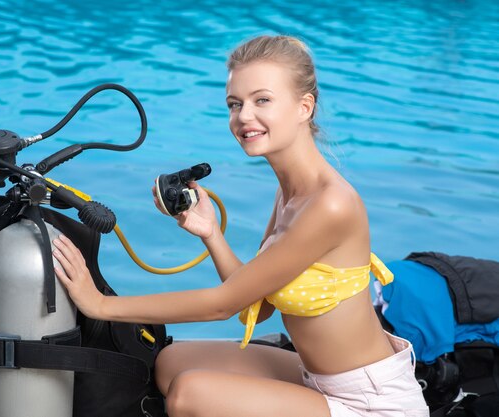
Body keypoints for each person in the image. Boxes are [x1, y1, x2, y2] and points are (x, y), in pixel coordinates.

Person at [52, 35, 429, 417]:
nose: (244, 116)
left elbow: (224, 305)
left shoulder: (330, 204)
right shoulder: (290, 193)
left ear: (304, 107)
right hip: (317, 378)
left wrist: (100, 304)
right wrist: (211, 234)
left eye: (262, 100)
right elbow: (256, 307)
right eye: (235, 104)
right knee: (170, 363)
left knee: (189, 394)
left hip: (372, 402)